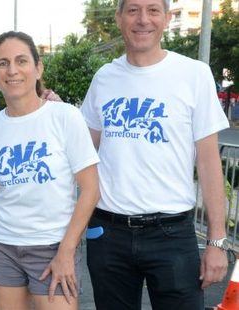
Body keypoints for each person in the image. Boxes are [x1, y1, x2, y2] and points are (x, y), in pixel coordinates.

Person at [80, 0, 229, 308]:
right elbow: (82, 151)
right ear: (119, 18)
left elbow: (210, 162)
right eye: (133, 10)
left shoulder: (194, 74)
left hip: (172, 234)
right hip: (108, 234)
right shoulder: (104, 78)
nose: (142, 19)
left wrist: (216, 241)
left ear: (165, 18)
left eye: (152, 10)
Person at [0, 31, 100, 310]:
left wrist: (67, 251)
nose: (12, 70)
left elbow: (91, 190)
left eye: (21, 60)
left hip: (53, 246)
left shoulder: (64, 116)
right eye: (3, 63)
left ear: (38, 67)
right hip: (1, 247)